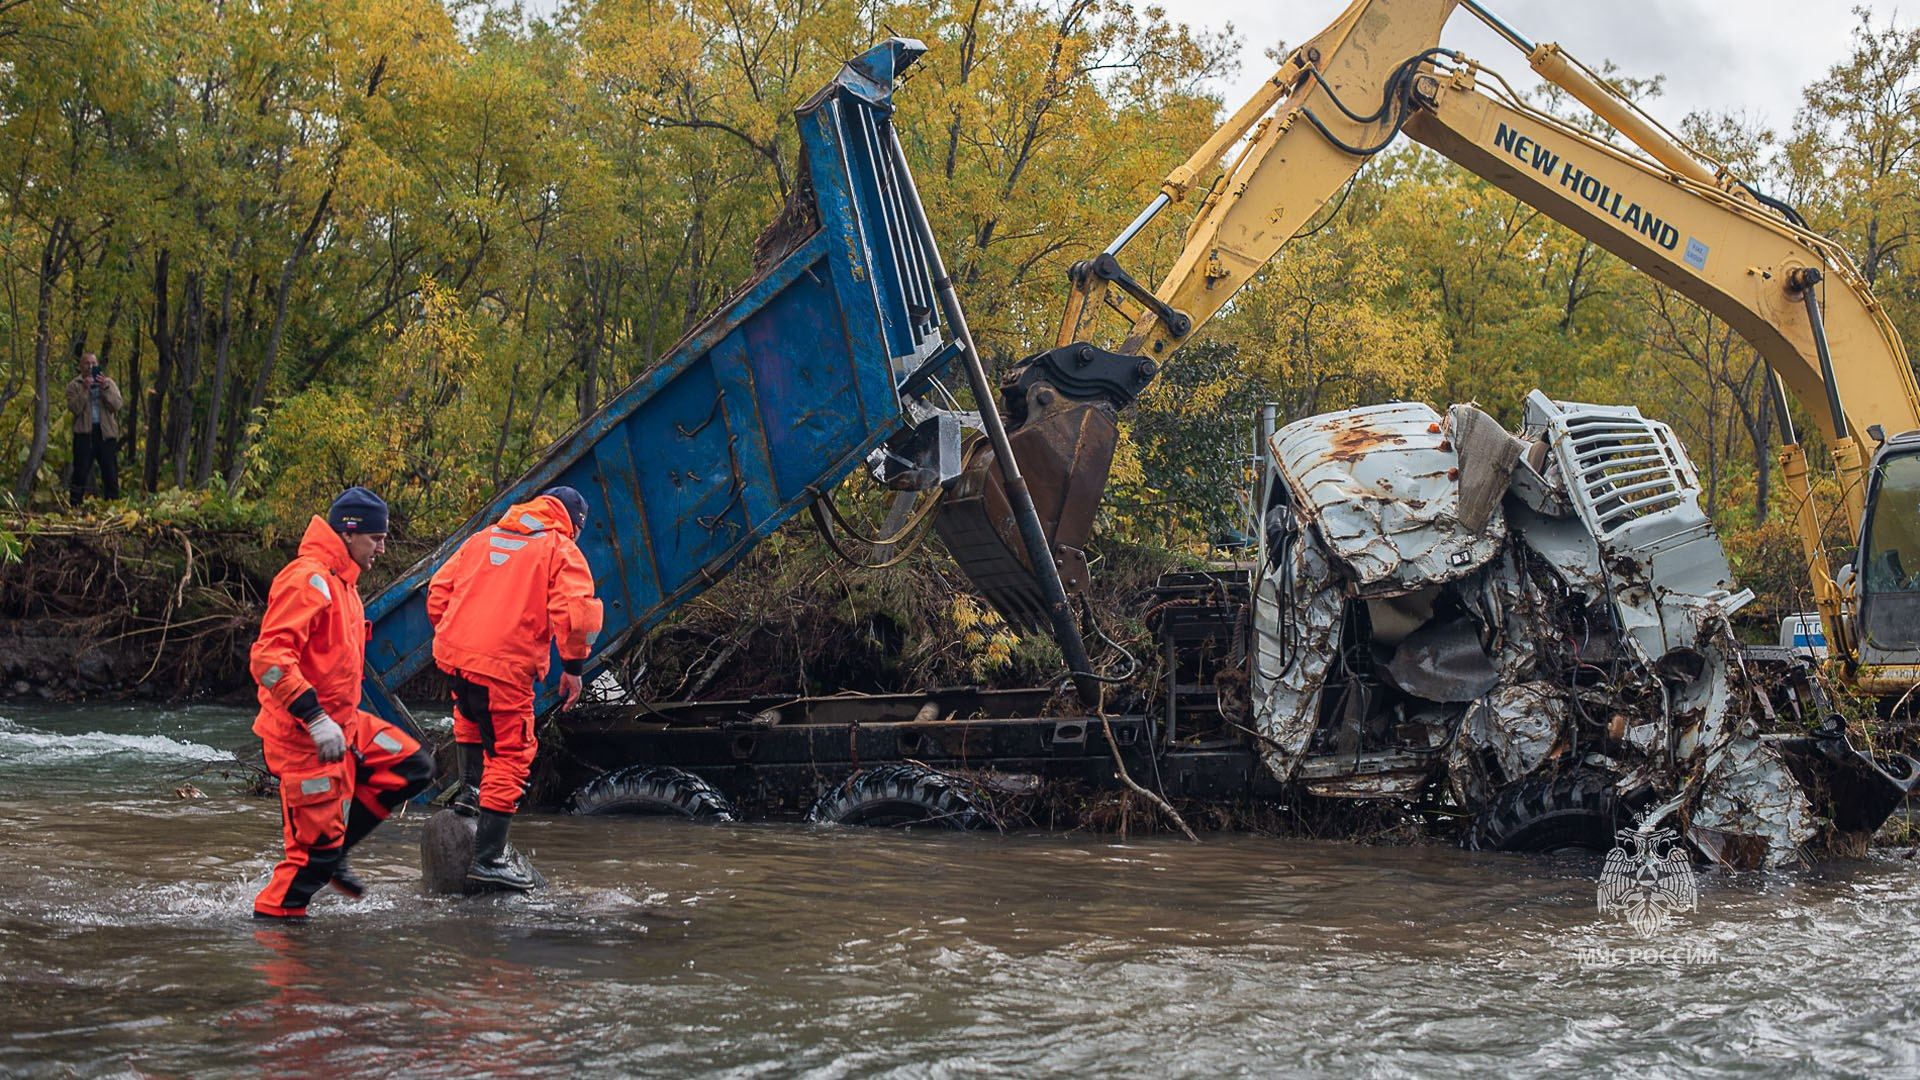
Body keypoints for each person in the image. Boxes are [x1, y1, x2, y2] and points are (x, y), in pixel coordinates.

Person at [249, 487, 434, 919]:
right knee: (308, 865)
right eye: (376, 538)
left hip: (345, 724)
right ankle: (280, 943)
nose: (383, 547)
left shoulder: (344, 583)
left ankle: (335, 854)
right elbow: (269, 659)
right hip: (302, 738)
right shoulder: (307, 579)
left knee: (413, 767)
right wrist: (314, 719)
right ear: (349, 535)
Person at [428, 485, 602, 891]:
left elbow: (438, 592)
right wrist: (573, 667)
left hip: (457, 658)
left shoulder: (482, 538)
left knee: (469, 719)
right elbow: (577, 614)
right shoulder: (559, 549)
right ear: (573, 522)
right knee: (512, 752)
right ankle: (488, 858)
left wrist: (460, 638)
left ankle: (469, 794)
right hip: (505, 667)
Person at [64, 352, 123, 502]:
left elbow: (117, 405)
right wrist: (85, 390)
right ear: (81, 366)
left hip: (106, 434)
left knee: (110, 473)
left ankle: (113, 505)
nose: (90, 367)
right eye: (87, 363)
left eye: (93, 363)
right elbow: (74, 408)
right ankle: (75, 507)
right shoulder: (73, 385)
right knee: (80, 473)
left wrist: (105, 388)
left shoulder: (108, 383)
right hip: (84, 434)